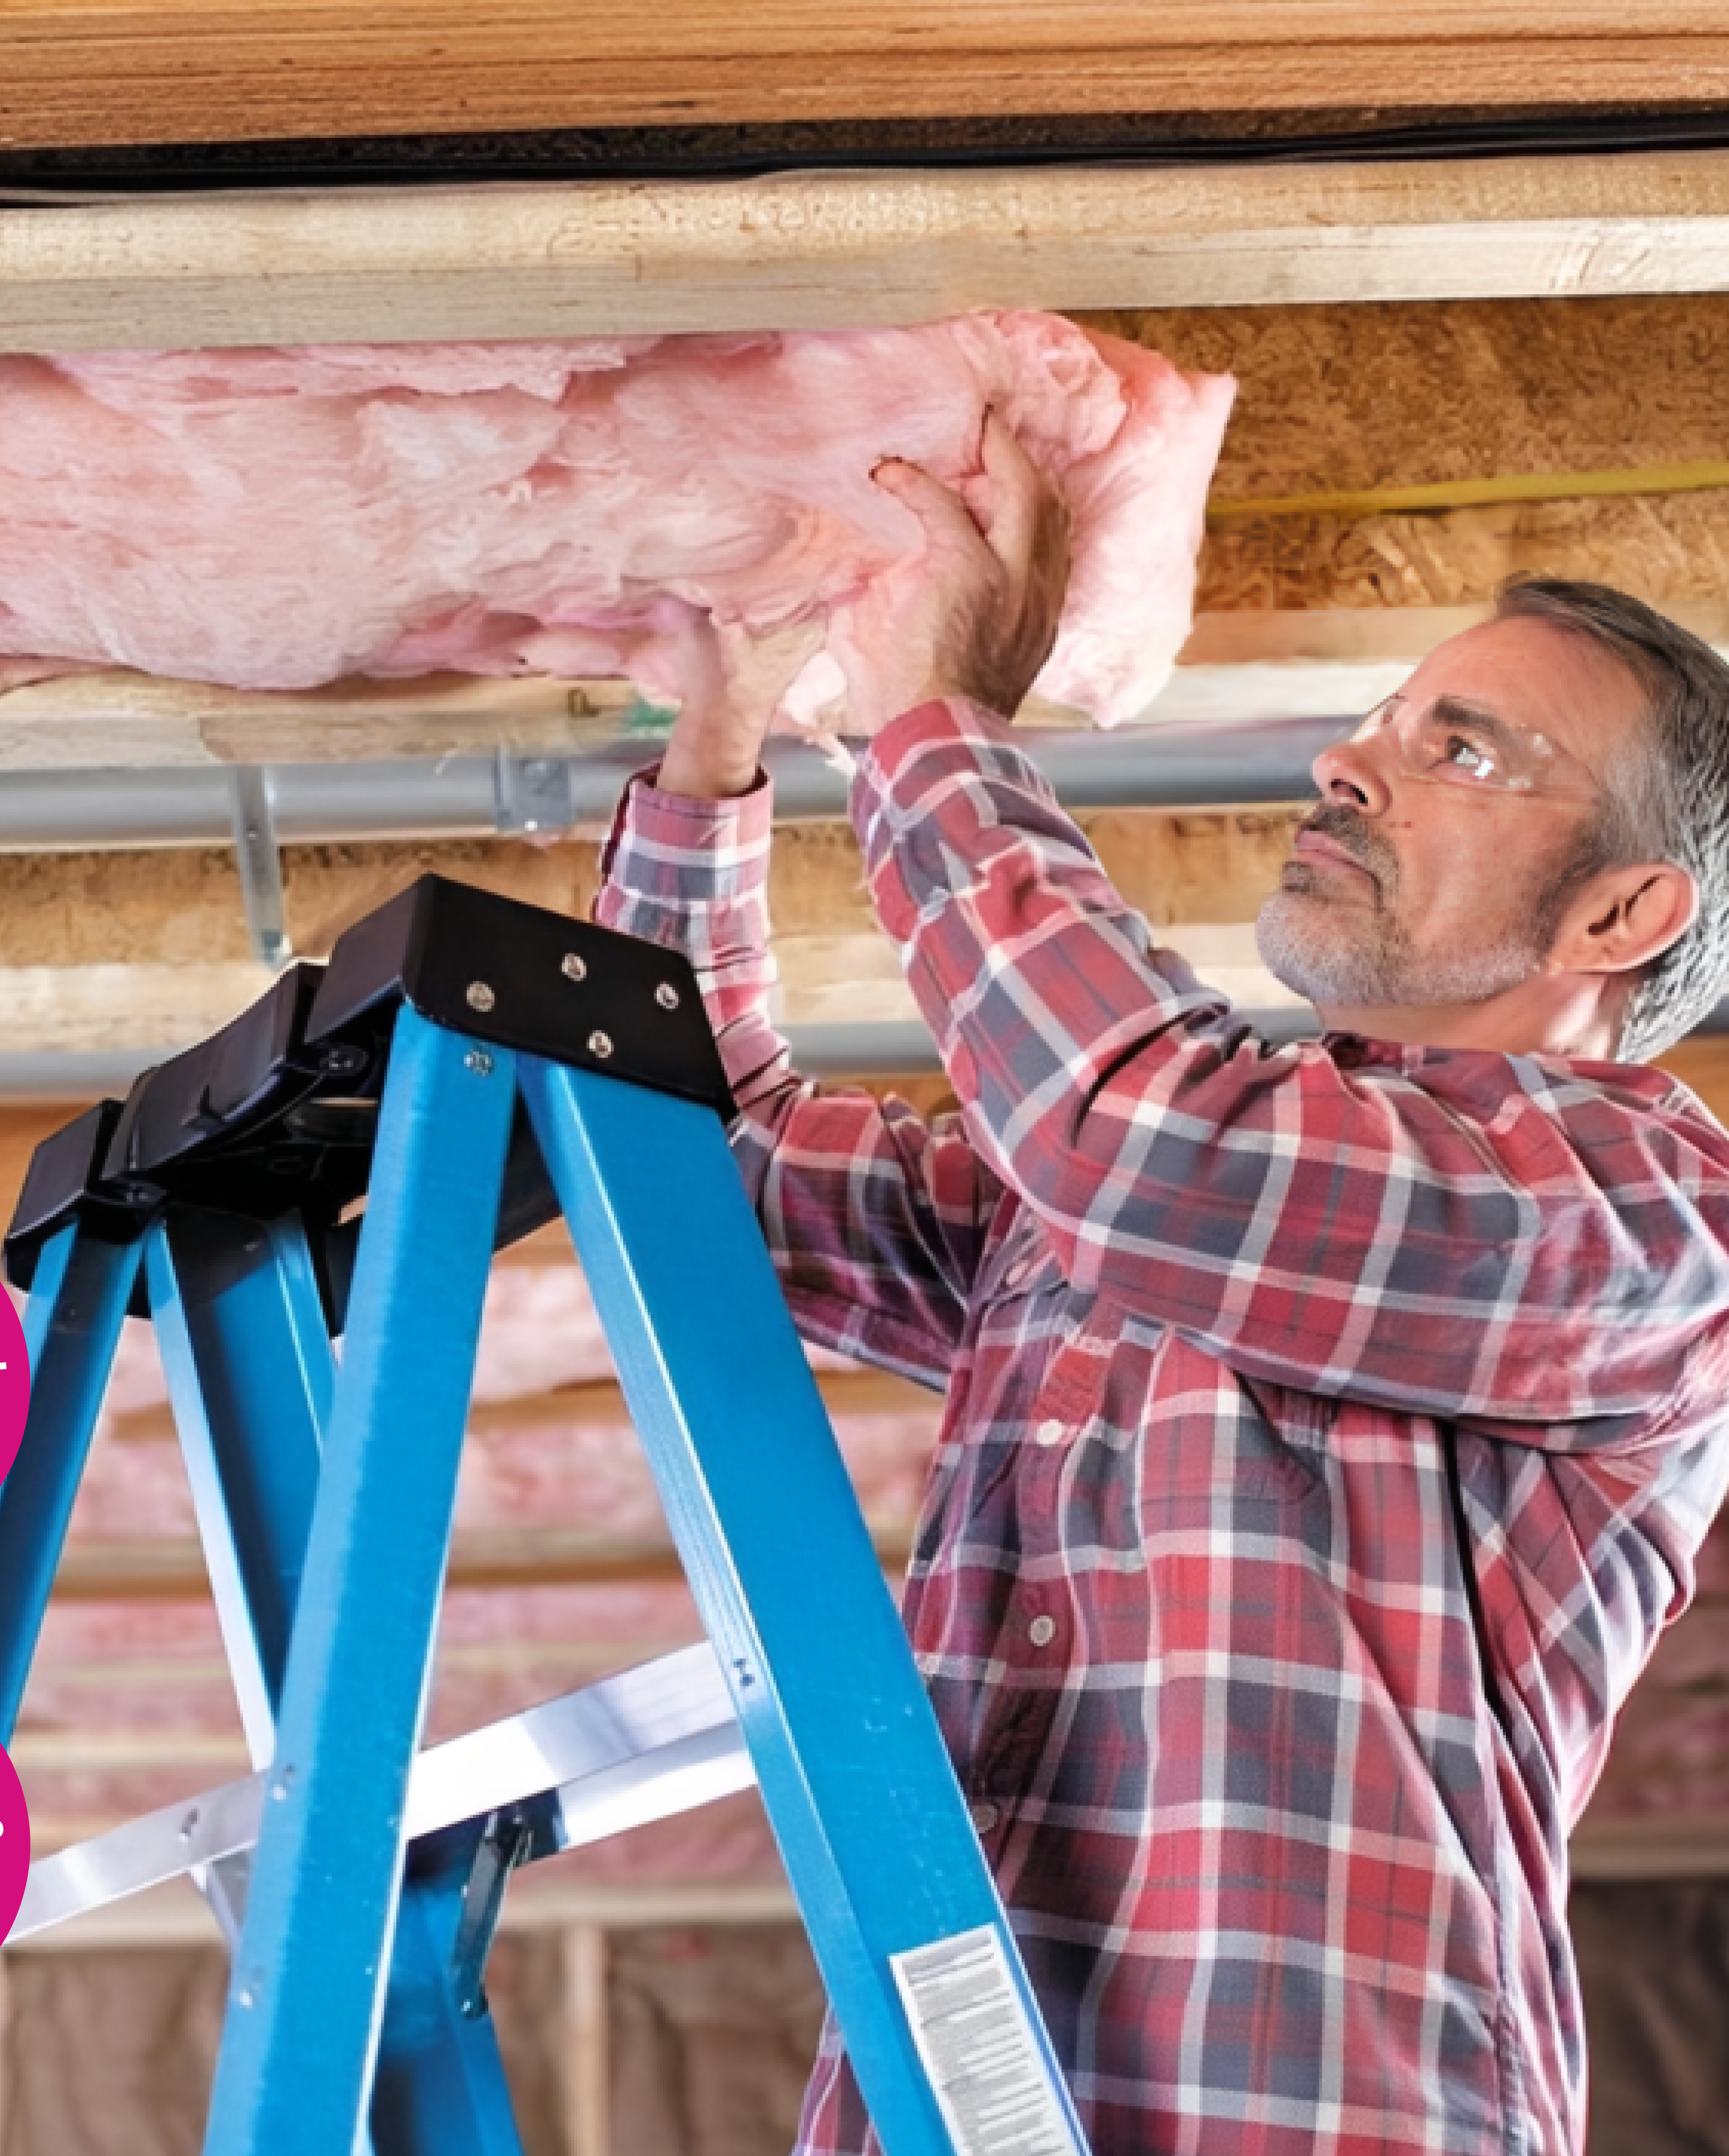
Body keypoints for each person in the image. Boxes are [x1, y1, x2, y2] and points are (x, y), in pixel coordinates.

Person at [593, 415, 1729, 2155]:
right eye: (1382, 722)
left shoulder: (1646, 1225)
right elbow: (712, 1184)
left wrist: (938, 726)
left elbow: (1146, 1147)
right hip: (969, 2092)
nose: (1354, 763)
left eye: (1464, 750)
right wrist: (711, 756)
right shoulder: (1134, 1193)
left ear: (1624, 912)